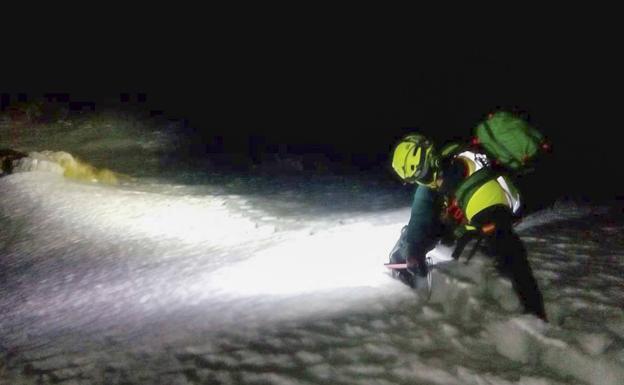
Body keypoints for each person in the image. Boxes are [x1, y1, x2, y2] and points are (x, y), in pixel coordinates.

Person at [389, 133, 548, 321]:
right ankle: (402, 256)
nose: (424, 181)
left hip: (492, 207)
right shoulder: (441, 170)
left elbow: (513, 255)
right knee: (430, 226)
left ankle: (533, 308)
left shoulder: (477, 192)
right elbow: (421, 213)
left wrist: (533, 307)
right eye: (417, 179)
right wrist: (414, 251)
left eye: (421, 175)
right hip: (470, 211)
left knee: (502, 247)